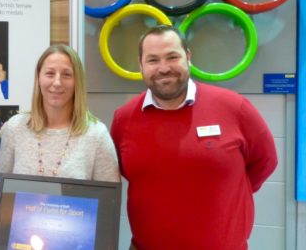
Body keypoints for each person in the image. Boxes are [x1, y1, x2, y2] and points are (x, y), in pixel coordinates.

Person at [110, 24, 278, 250]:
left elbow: (265, 161)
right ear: (141, 65)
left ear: (187, 57)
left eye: (172, 57)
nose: (163, 68)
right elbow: (125, 172)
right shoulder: (124, 118)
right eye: (153, 60)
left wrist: (227, 192)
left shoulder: (234, 108)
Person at [0, 44, 120, 249]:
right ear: (38, 78)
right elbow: (1, 189)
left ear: (77, 81)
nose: (57, 82)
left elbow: (108, 207)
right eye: (50, 73)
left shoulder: (96, 135)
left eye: (67, 74)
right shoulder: (14, 129)